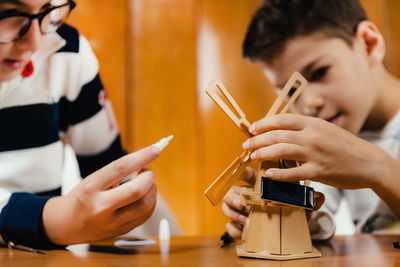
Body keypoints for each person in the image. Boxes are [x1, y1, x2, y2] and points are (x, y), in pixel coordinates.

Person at [223, 0, 400, 241]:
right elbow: (319, 211)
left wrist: (382, 169)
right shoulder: (339, 130)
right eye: (289, 92)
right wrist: (286, 213)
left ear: (369, 44)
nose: (308, 104)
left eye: (319, 72)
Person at [0, 0, 160, 249]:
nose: (34, 43)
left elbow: (108, 167)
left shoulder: (65, 50)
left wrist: (129, 200)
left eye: (45, 10)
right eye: (9, 14)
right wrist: (58, 220)